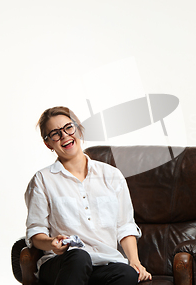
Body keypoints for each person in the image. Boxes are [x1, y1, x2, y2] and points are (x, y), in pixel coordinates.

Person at [25, 106, 152, 285]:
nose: (64, 136)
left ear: (78, 128)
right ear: (48, 144)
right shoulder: (42, 180)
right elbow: (36, 231)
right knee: (79, 257)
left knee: (127, 274)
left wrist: (135, 262)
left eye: (68, 128)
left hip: (104, 263)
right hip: (62, 263)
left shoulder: (111, 175)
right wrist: (51, 243)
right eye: (55, 133)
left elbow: (125, 226)